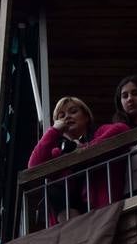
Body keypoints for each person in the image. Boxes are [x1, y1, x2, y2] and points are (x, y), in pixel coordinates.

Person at [26, 96, 130, 224]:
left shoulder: (99, 133)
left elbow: (122, 129)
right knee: (52, 184)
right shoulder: (59, 152)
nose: (67, 117)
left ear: (86, 117)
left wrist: (83, 149)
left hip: (101, 210)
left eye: (73, 111)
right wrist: (53, 131)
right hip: (70, 219)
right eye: (61, 115)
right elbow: (34, 165)